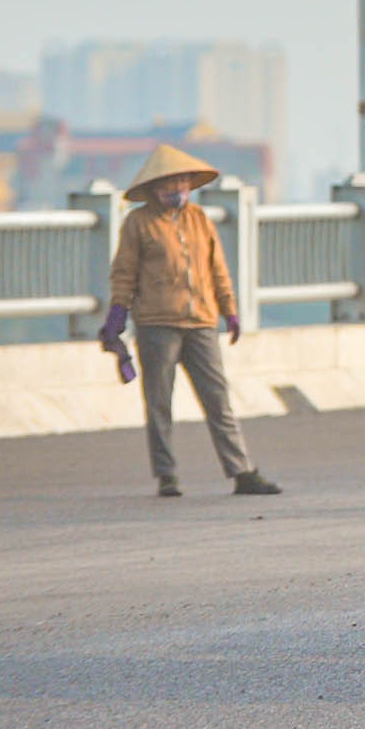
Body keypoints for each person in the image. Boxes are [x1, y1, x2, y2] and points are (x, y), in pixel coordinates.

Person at [97, 145, 282, 498]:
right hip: (157, 324)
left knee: (218, 400)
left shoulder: (199, 219)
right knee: (159, 402)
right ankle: (167, 475)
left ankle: (242, 472)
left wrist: (229, 309)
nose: (177, 189)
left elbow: (217, 269)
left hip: (201, 323)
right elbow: (124, 273)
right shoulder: (138, 223)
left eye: (182, 182)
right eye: (169, 184)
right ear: (153, 188)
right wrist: (117, 314)